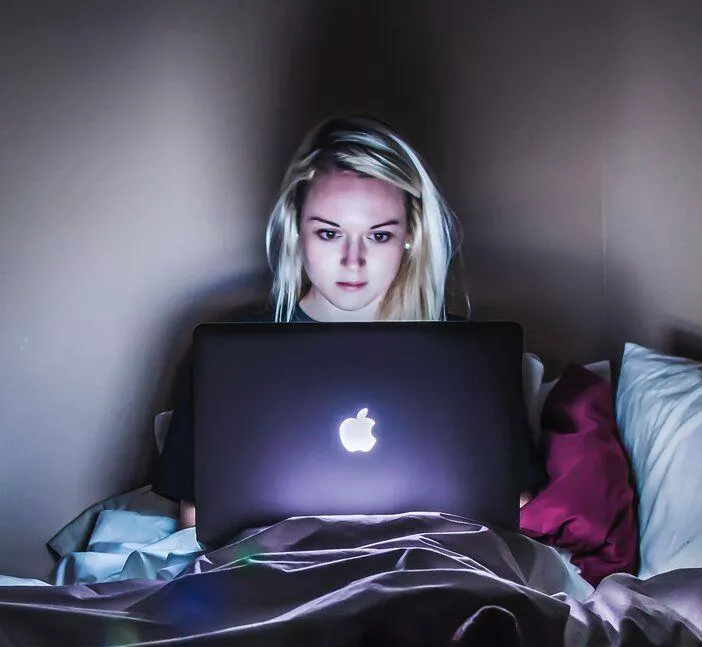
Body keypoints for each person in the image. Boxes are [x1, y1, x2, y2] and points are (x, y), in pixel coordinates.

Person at [154, 116, 548, 529]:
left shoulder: (467, 355)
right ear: (296, 230)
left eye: (378, 236)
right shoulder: (229, 356)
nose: (353, 261)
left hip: (425, 564)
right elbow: (197, 515)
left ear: (410, 236)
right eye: (329, 234)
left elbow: (512, 504)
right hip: (281, 570)